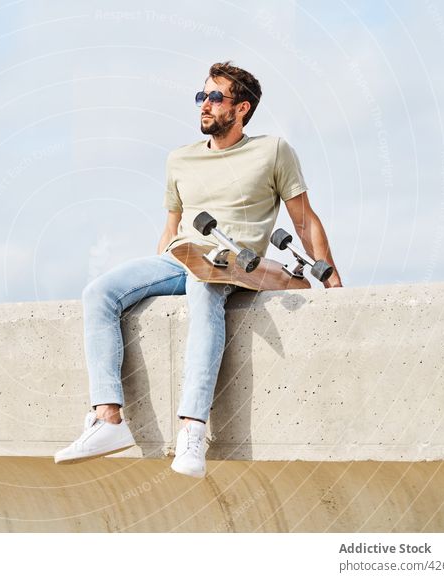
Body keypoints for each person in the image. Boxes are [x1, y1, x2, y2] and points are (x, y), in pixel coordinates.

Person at [54, 61, 343, 478]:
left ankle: (192, 430)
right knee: (99, 292)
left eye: (214, 97)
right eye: (201, 96)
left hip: (234, 264)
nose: (204, 105)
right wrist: (153, 280)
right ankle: (108, 419)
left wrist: (332, 280)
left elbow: (304, 220)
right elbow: (171, 229)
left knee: (204, 289)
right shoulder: (180, 159)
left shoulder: (273, 151)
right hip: (180, 258)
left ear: (241, 108)